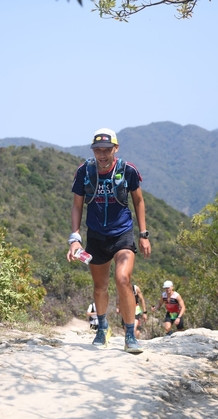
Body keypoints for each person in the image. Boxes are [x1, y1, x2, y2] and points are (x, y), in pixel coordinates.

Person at [67, 128, 152, 354]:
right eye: (98, 150)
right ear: (93, 150)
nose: (102, 155)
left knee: (123, 279)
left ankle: (130, 334)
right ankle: (103, 328)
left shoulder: (127, 170)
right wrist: (75, 238)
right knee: (100, 286)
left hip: (122, 233)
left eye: (107, 150)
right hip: (96, 235)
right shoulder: (85, 171)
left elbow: (139, 201)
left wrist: (143, 235)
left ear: (116, 148)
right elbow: (77, 205)